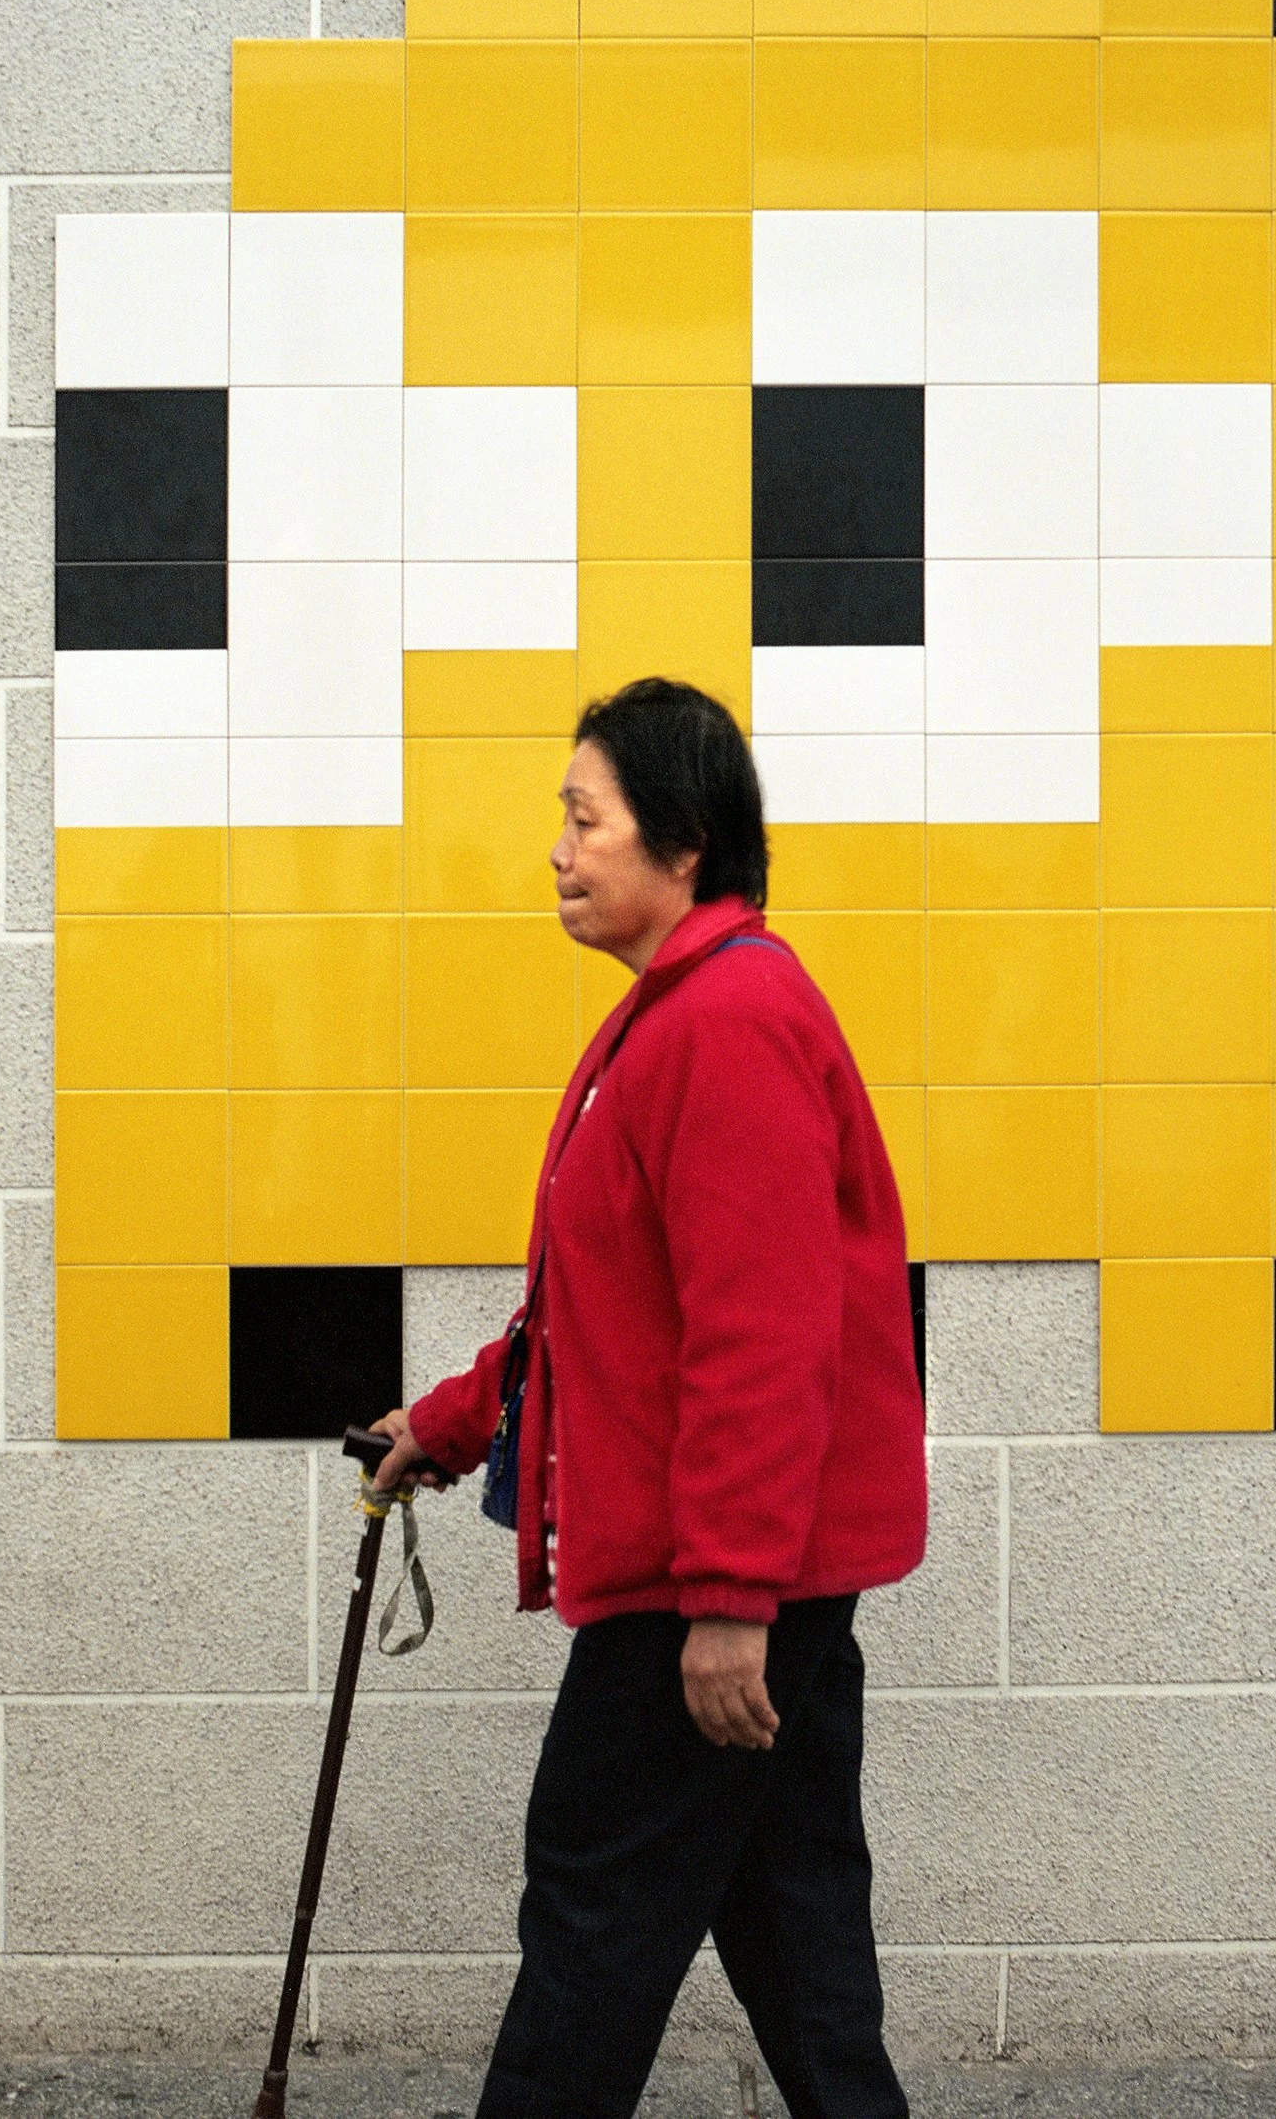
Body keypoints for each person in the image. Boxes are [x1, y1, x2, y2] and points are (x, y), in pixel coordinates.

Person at [366, 676, 927, 2118]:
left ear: (682, 844)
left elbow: (763, 1337)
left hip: (710, 1582)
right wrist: (450, 1424)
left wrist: (729, 1600)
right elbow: (603, 1304)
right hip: (752, 1572)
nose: (558, 850)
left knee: (595, 1911)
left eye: (585, 818)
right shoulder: (682, 1012)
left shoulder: (725, 1022)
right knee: (795, 1931)